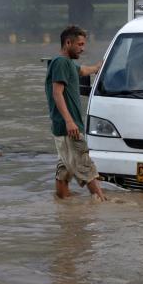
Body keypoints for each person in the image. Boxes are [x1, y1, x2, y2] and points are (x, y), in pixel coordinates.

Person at [45, 25, 107, 200]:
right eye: (79, 44)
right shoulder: (61, 62)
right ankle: (102, 203)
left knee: (64, 169)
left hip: (62, 127)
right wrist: (69, 121)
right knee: (85, 165)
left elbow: (82, 70)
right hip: (69, 127)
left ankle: (64, 207)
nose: (82, 48)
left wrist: (98, 67)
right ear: (68, 42)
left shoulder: (68, 64)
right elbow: (57, 93)